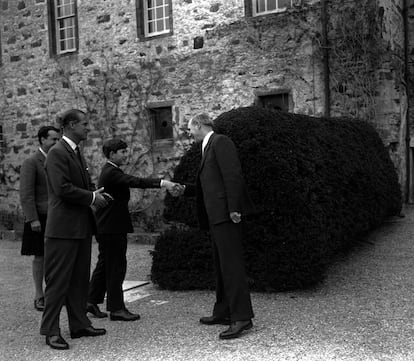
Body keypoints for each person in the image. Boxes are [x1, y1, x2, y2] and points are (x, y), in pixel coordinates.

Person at [87, 138, 181, 321]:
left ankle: (90, 301)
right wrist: (164, 183)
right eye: (122, 152)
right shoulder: (112, 172)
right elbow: (136, 181)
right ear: (112, 154)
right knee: (116, 267)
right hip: (112, 227)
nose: (125, 154)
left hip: (107, 226)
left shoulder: (111, 171)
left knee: (105, 264)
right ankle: (116, 309)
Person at [40, 109, 110, 350]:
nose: (88, 128)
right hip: (62, 229)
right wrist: (91, 197)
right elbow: (62, 188)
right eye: (84, 124)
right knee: (58, 282)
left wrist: (96, 193)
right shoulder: (57, 153)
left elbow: (80, 184)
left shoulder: (75, 151)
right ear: (70, 125)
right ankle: (50, 331)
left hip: (79, 227)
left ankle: (79, 324)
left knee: (80, 280)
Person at [181, 113, 255, 340]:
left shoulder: (220, 142)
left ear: (199, 125)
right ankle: (223, 312)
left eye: (189, 128)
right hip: (216, 217)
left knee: (231, 266)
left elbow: (232, 175)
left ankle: (242, 317)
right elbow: (209, 185)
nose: (189, 133)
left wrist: (234, 208)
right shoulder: (207, 147)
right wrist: (184, 189)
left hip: (225, 216)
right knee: (222, 266)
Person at [20, 125, 60, 312]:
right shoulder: (31, 162)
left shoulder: (57, 160)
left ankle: (55, 293)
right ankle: (39, 295)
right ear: (43, 140)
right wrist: (33, 219)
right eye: (53, 139)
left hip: (57, 215)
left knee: (57, 255)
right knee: (40, 256)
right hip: (40, 217)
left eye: (58, 139)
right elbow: (26, 194)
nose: (56, 142)